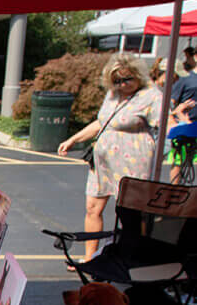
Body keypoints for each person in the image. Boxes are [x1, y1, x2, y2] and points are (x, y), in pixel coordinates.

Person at [57, 53, 163, 262]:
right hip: (103, 162)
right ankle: (90, 256)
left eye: (127, 79)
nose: (122, 85)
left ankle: (131, 257)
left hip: (133, 159)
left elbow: (163, 123)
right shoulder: (112, 94)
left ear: (138, 75)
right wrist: (73, 139)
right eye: (117, 81)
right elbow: (103, 122)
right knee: (92, 207)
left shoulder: (152, 95)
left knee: (130, 214)